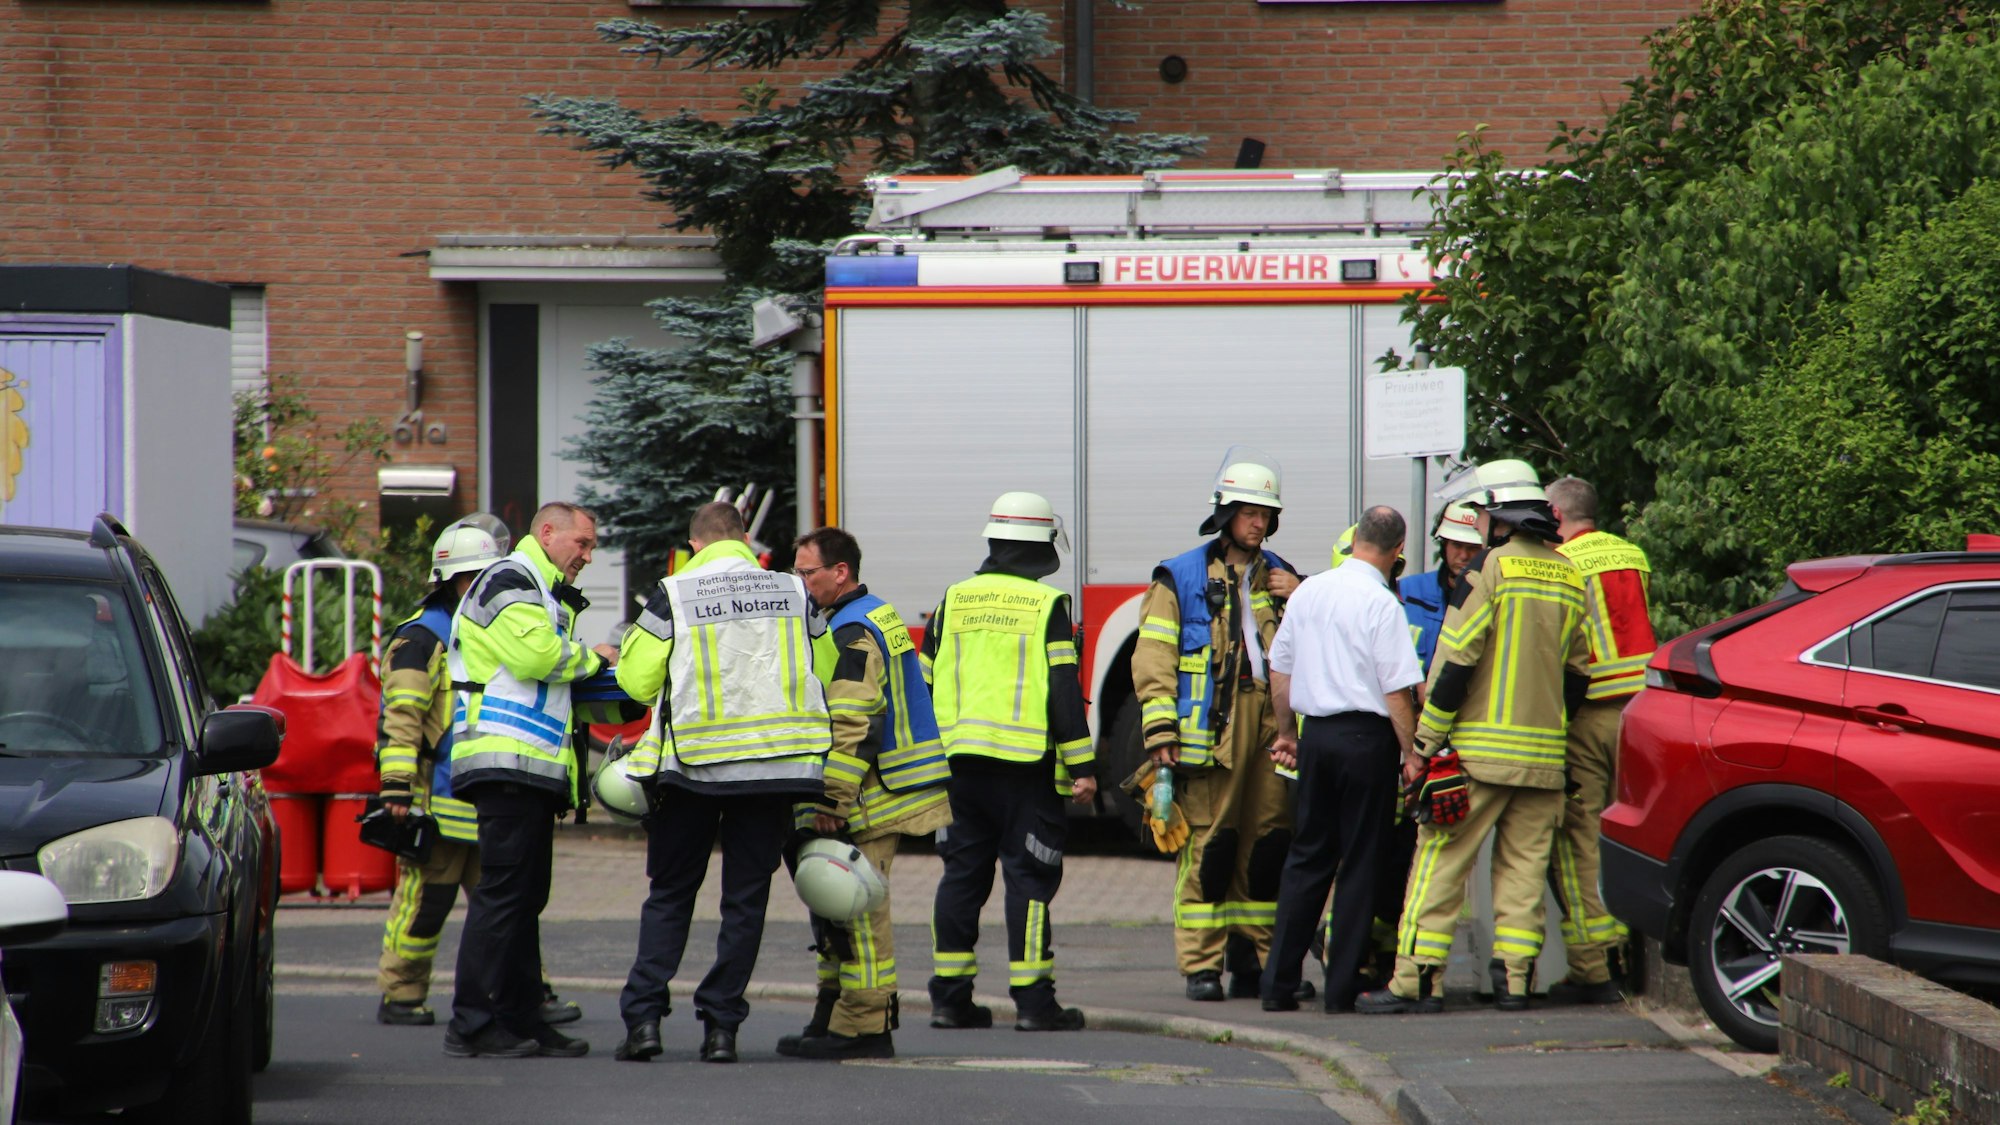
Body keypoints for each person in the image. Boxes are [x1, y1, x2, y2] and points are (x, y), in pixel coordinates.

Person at [1357, 460, 1591, 1015]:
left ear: (1500, 512)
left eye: (1484, 513)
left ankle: (1413, 983)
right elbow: (1578, 673)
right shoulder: (1567, 573)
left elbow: (1455, 661)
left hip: (1479, 756)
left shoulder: (1489, 568)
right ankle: (1514, 981)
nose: (1480, 525)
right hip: (1544, 761)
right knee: (1523, 872)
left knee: (1438, 862)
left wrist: (1424, 744)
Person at [612, 502, 831, 1065]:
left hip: (693, 772)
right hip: (773, 772)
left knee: (670, 894)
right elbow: (822, 667)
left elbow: (636, 682)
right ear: (745, 539)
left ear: (695, 546)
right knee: (745, 901)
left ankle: (644, 1024)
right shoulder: (793, 590)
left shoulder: (676, 591)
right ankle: (721, 1029)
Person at [374, 515, 583, 1029]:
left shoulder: (487, 625)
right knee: (424, 904)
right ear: (459, 580)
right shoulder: (422, 638)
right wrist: (397, 788)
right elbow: (401, 718)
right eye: (481, 576)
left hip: (488, 788)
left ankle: (527, 993)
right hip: (441, 799)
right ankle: (402, 991)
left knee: (510, 909)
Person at [443, 502, 617, 1059]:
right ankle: (470, 1025)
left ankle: (521, 1019)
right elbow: (537, 657)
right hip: (505, 763)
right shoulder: (510, 578)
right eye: (582, 544)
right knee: (502, 897)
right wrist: (597, 658)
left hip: (528, 768)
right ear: (547, 532)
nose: (587, 557)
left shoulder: (538, 589)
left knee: (523, 898)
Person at [1130, 453, 1304, 1002]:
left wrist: (1300, 594)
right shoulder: (1179, 576)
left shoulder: (1281, 574)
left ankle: (1257, 961)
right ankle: (1201, 966)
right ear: (1225, 513)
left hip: (1273, 725)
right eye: (1249, 512)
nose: (1258, 523)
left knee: (1267, 841)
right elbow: (1153, 660)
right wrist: (1161, 735)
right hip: (1214, 731)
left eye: (1266, 514)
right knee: (1211, 841)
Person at [923, 491, 1096, 1032]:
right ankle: (1033, 1004)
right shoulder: (1047, 606)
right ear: (1042, 547)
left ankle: (950, 999)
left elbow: (926, 680)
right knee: (1029, 879)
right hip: (1025, 768)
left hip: (958, 766)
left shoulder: (955, 598)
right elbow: (1064, 693)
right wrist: (1083, 765)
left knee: (961, 876)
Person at [777, 526, 952, 1060]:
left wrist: (832, 800)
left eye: (807, 573)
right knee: (835, 908)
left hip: (868, 795)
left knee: (857, 911)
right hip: (881, 787)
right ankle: (833, 1013)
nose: (800, 583)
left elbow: (853, 721)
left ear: (840, 573)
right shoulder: (871, 613)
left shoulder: (851, 629)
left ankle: (865, 1027)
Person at [1259, 507, 1424, 1012]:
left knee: (1307, 857)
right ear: (1397, 551)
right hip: (1366, 742)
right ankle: (1340, 989)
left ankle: (1278, 986)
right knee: (1359, 864)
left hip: (1318, 740)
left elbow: (1279, 668)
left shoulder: (1309, 592)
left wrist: (1288, 732)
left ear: (1354, 541)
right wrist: (1412, 754)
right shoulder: (1382, 603)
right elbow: (1397, 692)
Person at [1545, 475, 1655, 1004]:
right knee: (1630, 834)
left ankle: (1594, 967)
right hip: (1640, 713)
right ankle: (1634, 956)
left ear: (1555, 513)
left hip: (1587, 714)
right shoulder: (1631, 554)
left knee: (1579, 836)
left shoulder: (1565, 562)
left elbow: (1565, 643)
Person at [1399, 502, 1483, 672]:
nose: (1464, 555)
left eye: (1472, 548)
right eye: (1457, 545)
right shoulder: (1407, 591)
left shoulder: (1491, 596)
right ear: (1444, 545)